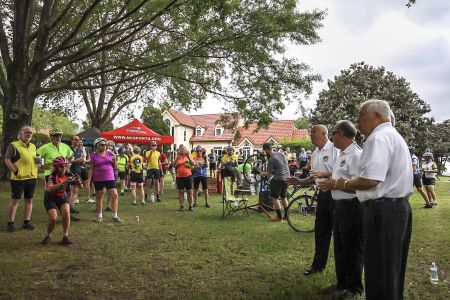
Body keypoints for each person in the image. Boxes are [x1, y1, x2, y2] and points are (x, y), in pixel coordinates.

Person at [334, 99, 412, 300]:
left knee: (379, 270)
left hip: (383, 211)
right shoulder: (394, 136)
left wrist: (345, 184)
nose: (358, 124)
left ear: (375, 116)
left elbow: (371, 179)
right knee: (391, 270)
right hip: (396, 208)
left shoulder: (378, 138)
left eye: (361, 117)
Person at [317, 120, 363, 298]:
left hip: (352, 206)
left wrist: (334, 185)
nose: (331, 136)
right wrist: (331, 184)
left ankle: (354, 288)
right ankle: (342, 283)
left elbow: (359, 185)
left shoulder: (357, 156)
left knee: (353, 247)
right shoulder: (342, 154)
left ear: (342, 134)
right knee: (340, 247)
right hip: (340, 206)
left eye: (334, 133)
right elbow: (339, 179)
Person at [286, 125, 339, 276]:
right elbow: (314, 177)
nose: (311, 135)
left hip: (336, 195)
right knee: (321, 232)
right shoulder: (315, 153)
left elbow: (342, 172)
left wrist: (324, 174)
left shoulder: (335, 149)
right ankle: (317, 266)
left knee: (340, 235)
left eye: (313, 132)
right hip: (322, 196)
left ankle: (342, 272)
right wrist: (299, 181)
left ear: (324, 133)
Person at [37, 128, 77, 220]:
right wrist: (42, 167)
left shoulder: (65, 146)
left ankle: (67, 212)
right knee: (52, 192)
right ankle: (53, 210)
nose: (58, 137)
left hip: (63, 173)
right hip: (51, 174)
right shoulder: (45, 147)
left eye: (59, 136)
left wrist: (68, 165)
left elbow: (71, 156)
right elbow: (36, 158)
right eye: (56, 136)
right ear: (51, 137)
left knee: (68, 192)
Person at [4, 126, 38, 232]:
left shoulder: (33, 146)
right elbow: (7, 159)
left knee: (29, 200)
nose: (28, 134)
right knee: (15, 201)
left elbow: (34, 160)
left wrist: (38, 161)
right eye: (26, 132)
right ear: (21, 133)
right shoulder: (14, 145)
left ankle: (26, 222)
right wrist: (15, 171)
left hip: (32, 177)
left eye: (30, 133)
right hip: (18, 179)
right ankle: (10, 223)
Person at [41, 157, 74, 245]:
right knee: (53, 218)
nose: (64, 168)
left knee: (67, 213)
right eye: (61, 166)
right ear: (56, 167)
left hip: (62, 197)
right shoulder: (51, 176)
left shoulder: (69, 174)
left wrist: (79, 182)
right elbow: (48, 189)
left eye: (65, 166)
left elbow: (81, 186)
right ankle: (48, 235)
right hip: (50, 198)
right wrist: (63, 183)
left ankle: (65, 236)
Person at [89, 138, 122, 223]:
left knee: (115, 195)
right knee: (99, 197)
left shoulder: (110, 153)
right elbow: (91, 168)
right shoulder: (93, 155)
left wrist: (115, 162)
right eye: (102, 145)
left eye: (105, 145)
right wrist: (88, 180)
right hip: (98, 178)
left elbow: (116, 167)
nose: (105, 146)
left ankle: (115, 216)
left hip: (110, 177)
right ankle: (99, 216)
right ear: (97, 146)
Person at [260, 143, 290, 221]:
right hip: (287, 178)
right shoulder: (281, 154)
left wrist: (260, 173)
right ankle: (286, 216)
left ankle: (279, 217)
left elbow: (268, 174)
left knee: (275, 198)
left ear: (266, 150)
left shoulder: (271, 159)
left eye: (264, 150)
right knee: (283, 197)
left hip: (278, 179)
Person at [171, 145, 195, 211]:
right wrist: (177, 158)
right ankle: (182, 206)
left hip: (188, 176)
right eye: (181, 151)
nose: (182, 152)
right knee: (181, 191)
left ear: (186, 151)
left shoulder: (188, 156)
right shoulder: (178, 157)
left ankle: (191, 206)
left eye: (183, 150)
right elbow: (173, 165)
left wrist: (188, 157)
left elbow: (193, 164)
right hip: (179, 177)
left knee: (189, 192)